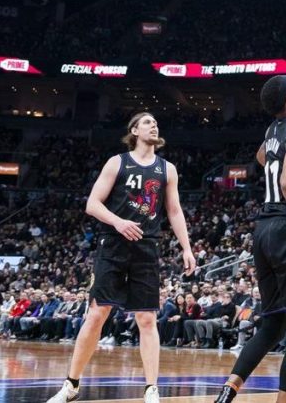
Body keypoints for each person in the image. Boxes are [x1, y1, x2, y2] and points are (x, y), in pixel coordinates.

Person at [47, 113, 196, 403]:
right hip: (113, 245)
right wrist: (118, 222)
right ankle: (71, 384)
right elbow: (92, 204)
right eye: (147, 122)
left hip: (146, 247)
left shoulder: (168, 169)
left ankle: (151, 388)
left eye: (156, 122)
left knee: (147, 318)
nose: (154, 125)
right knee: (96, 315)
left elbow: (175, 211)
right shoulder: (118, 162)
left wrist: (187, 248)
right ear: (134, 130)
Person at [213, 74, 286, 403]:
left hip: (263, 231)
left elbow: (264, 157)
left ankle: (228, 391)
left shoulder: (274, 131)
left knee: (272, 324)